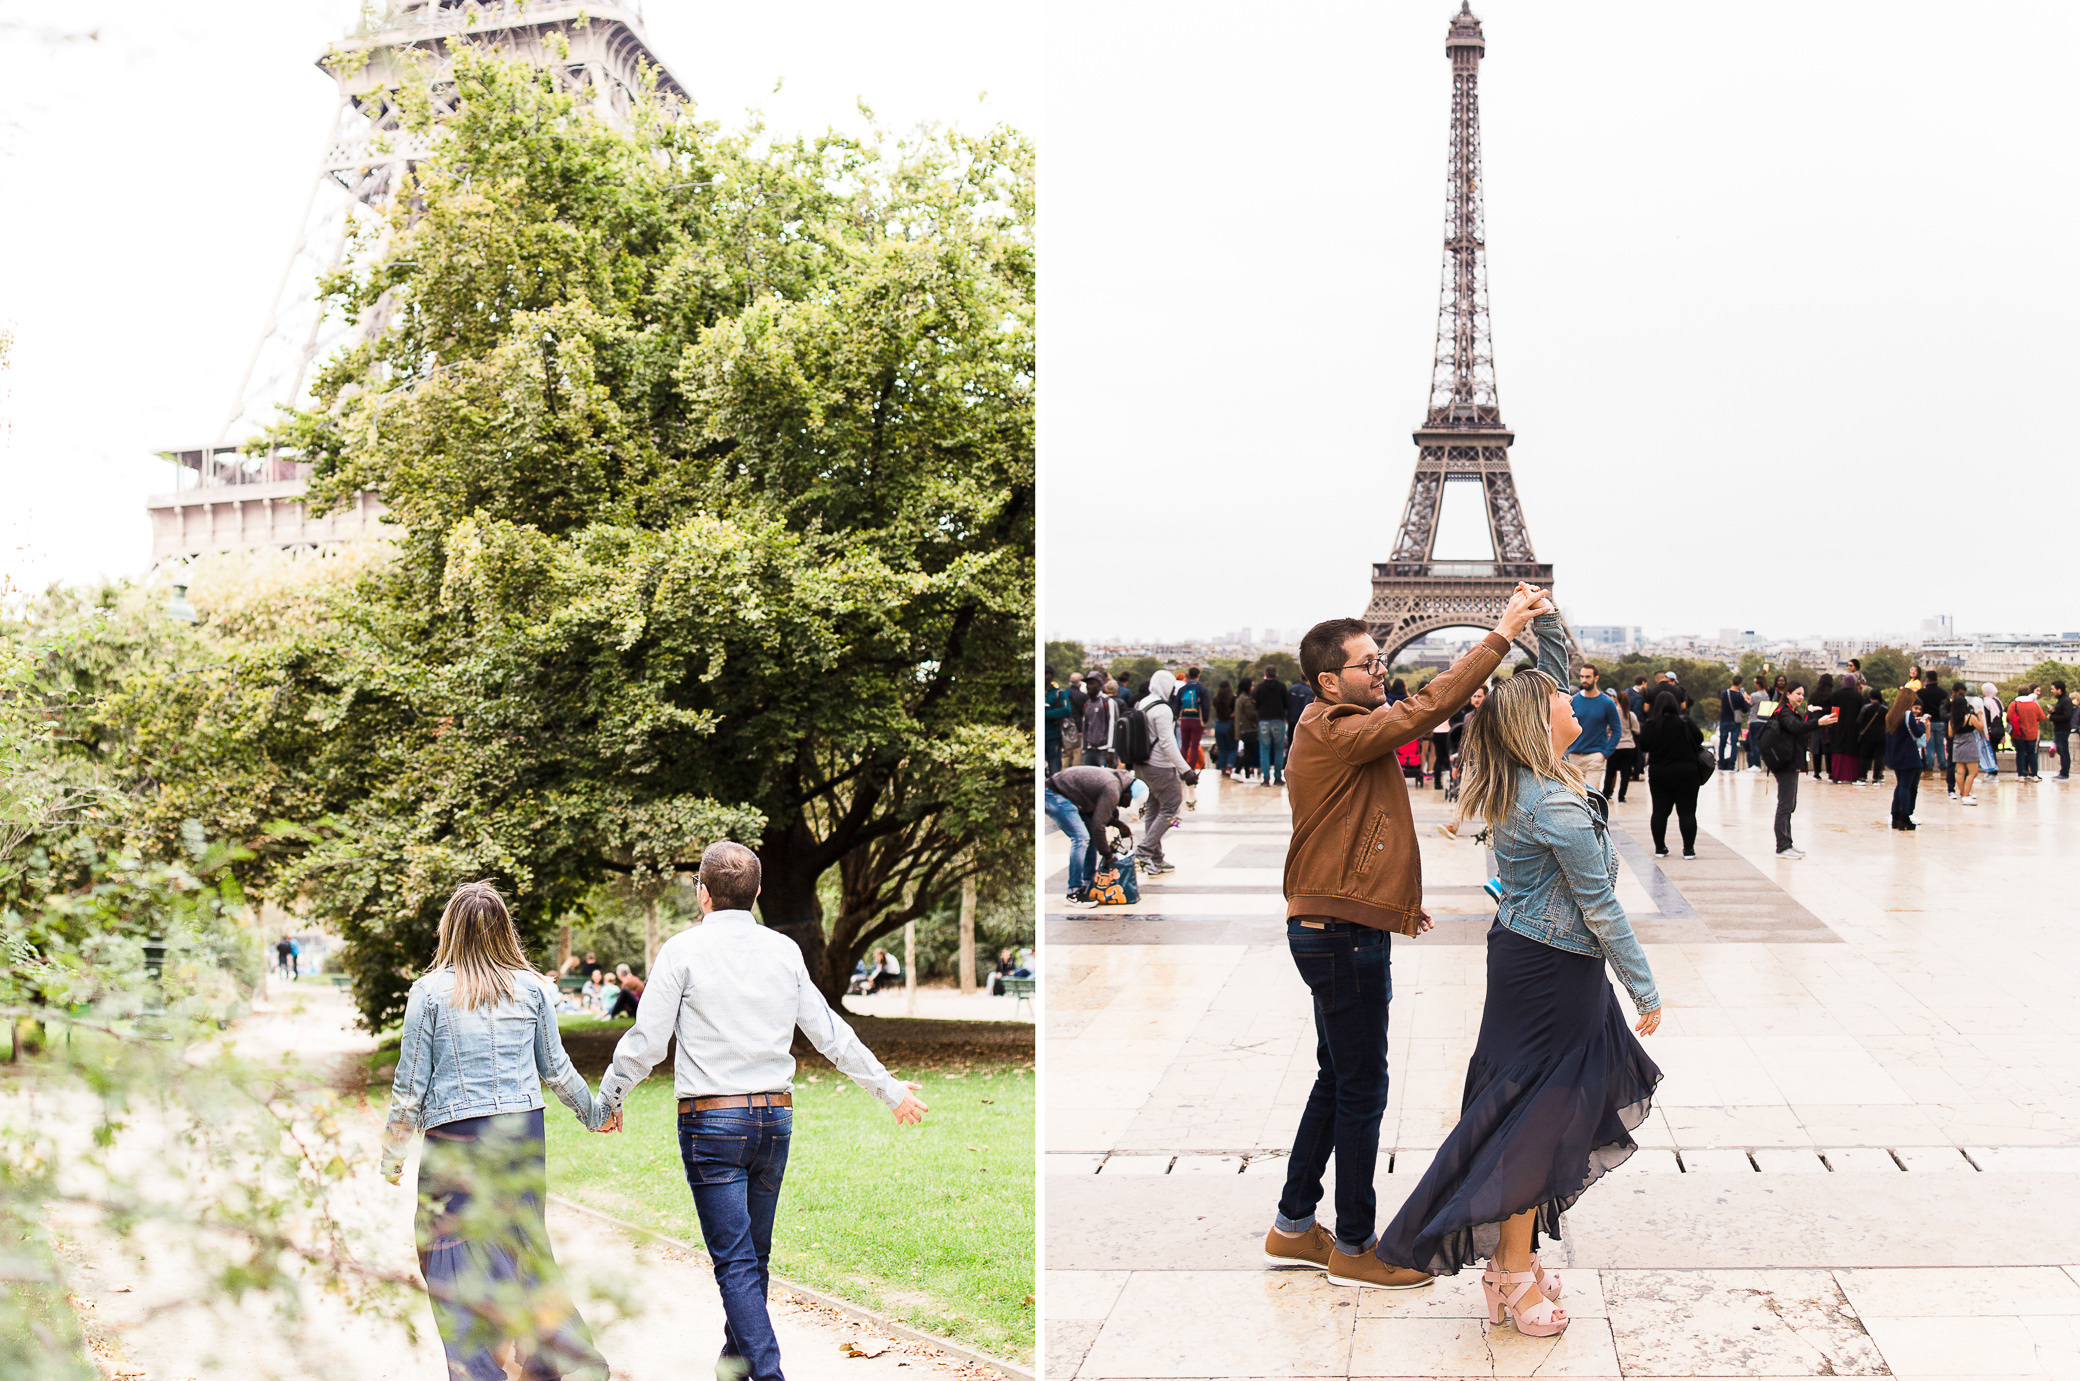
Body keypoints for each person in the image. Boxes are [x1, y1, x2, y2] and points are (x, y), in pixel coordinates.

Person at [1374, 628, 1660, 1339]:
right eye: (1562, 698)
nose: (1573, 701)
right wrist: (1645, 987)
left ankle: (1516, 1260)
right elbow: (1599, 906)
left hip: (1530, 956)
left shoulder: (1528, 778)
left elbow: (1544, 680)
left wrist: (1544, 618)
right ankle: (1507, 1267)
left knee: (1532, 1109)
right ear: (1542, 722)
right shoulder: (1556, 805)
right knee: (1542, 1115)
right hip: (1555, 970)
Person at [1261, 583, 1548, 1292]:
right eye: (1366, 664)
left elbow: (1356, 829)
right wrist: (1500, 634)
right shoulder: (1335, 726)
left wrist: (1393, 903)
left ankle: (1294, 1224)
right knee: (1363, 1086)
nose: (1379, 670)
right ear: (1329, 679)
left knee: (1338, 1077)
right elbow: (1427, 709)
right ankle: (1356, 1246)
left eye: (1378, 658)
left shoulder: (1331, 728)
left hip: (1337, 922)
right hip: (1340, 934)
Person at [602, 843, 926, 1381]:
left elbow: (646, 1041)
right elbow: (830, 1033)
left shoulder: (682, 950)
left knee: (736, 1263)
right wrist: (887, 1088)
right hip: (774, 1122)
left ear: (702, 893)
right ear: (757, 894)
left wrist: (610, 1097)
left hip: (712, 1124)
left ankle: (768, 1374)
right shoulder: (783, 950)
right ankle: (732, 1369)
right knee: (752, 1259)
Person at [381, 881, 613, 1381]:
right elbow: (556, 1069)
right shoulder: (532, 988)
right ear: (505, 930)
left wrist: (393, 1152)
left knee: (448, 1254)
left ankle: (480, 1370)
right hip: (520, 1135)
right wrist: (594, 1113)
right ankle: (556, 1355)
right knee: (520, 1244)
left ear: (450, 931)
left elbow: (410, 1083)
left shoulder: (429, 992)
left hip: (455, 1140)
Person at [1759, 685, 1838, 858]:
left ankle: (1787, 843)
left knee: (1789, 804)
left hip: (1789, 762)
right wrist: (1819, 722)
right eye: (1798, 694)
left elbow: (1798, 727)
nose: (1801, 697)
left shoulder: (1789, 711)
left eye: (1803, 694)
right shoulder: (1785, 712)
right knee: (1785, 805)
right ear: (1788, 694)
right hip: (1785, 763)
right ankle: (1782, 846)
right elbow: (1796, 727)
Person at [1049, 764, 1141, 907]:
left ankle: (1087, 882)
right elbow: (1098, 826)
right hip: (1054, 793)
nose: (1124, 806)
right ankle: (1074, 891)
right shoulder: (1113, 788)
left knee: (1089, 835)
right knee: (1081, 838)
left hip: (1070, 795)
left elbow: (1099, 815)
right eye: (1127, 803)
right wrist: (1108, 855)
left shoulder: (1119, 781)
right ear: (1128, 794)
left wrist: (1117, 824)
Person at [1134, 669, 1198, 875]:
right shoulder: (1163, 709)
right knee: (1171, 809)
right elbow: (1168, 743)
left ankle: (1156, 857)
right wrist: (1185, 769)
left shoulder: (1142, 703)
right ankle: (1144, 852)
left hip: (1142, 764)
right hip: (1160, 766)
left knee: (1153, 809)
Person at [1638, 691, 1704, 859]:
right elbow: (1699, 739)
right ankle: (1688, 849)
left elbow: (1644, 746)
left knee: (1659, 812)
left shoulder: (1651, 725)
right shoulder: (1685, 722)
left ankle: (1660, 848)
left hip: (1660, 773)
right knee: (1687, 812)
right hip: (1687, 773)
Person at [1566, 664, 1621, 785]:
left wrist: (1604, 754)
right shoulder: (1573, 701)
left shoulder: (1607, 703)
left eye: (1587, 677)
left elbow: (1617, 730)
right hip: (1574, 756)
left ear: (1596, 678)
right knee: (1577, 799)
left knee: (1590, 798)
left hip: (1595, 757)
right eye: (1582, 676)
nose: (1584, 680)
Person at [1884, 686, 1926, 830]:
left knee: (1901, 785)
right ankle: (1905, 816)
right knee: (1908, 786)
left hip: (1896, 754)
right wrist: (1922, 724)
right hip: (1909, 755)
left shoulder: (1891, 714)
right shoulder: (1908, 715)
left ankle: (1896, 815)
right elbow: (1917, 732)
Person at [1176, 667, 1211, 802]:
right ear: (1198, 675)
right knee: (1194, 746)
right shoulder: (1202, 689)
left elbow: (1177, 704)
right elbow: (1206, 706)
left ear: (1187, 675)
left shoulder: (1182, 689)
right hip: (1197, 719)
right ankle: (1191, 770)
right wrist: (1205, 720)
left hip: (1184, 719)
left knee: (1184, 745)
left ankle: (1182, 769)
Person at [1254, 668, 1290, 787]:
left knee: (1264, 750)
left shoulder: (1259, 687)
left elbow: (1255, 703)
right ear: (1276, 674)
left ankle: (1266, 778)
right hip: (1278, 720)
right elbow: (1286, 704)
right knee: (1279, 750)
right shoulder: (1282, 687)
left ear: (1265, 675)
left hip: (1264, 720)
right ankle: (1278, 777)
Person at [1602, 687, 1640, 802]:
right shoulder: (1630, 715)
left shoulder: (1613, 714)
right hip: (1628, 746)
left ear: (1616, 700)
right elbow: (1637, 730)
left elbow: (1607, 728)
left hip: (1615, 746)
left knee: (1610, 772)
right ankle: (1621, 796)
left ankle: (1606, 793)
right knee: (1625, 774)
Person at [1950, 686, 1985, 805]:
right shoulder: (1970, 717)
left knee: (1960, 772)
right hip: (1969, 745)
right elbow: (1980, 728)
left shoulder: (1953, 719)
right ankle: (1966, 794)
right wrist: (1980, 716)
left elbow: (1950, 733)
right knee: (1973, 772)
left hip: (1957, 745)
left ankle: (1962, 793)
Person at [1826, 672, 1864, 783]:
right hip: (1854, 728)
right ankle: (1852, 776)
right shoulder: (1858, 696)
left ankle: (1837, 775)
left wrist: (1833, 723)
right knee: (1852, 751)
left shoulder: (1836, 695)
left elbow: (1834, 712)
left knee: (1838, 750)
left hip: (1838, 727)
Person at [2008, 684, 2045, 782]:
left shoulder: (2014, 704)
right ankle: (2034, 774)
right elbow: (2042, 717)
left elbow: (2009, 717)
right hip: (2032, 733)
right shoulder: (2034, 704)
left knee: (2020, 753)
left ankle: (2021, 774)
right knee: (2032, 753)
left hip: (2018, 733)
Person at [1081, 679, 1120, 768]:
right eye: (1087, 684)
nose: (1089, 687)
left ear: (1099, 685)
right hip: (1090, 749)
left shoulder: (1107, 702)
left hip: (1104, 750)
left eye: (1092, 683)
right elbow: (1085, 725)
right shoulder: (1088, 703)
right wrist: (1084, 747)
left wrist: (1111, 749)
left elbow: (1112, 726)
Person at [1856, 685, 1889, 785]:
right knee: (1879, 757)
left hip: (1867, 736)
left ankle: (1862, 777)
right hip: (1881, 736)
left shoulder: (1866, 708)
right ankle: (1875, 778)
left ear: (1870, 697)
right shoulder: (1885, 709)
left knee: (1865, 757)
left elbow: (1859, 721)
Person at [1043, 667, 1072, 775]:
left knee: (1054, 769)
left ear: (1052, 677)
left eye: (1047, 674)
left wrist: (1045, 715)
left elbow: (1066, 710)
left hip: (1053, 736)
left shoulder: (1058, 693)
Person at [1717, 679, 1749, 771]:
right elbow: (1745, 709)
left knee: (1722, 743)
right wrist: (1744, 698)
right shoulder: (1739, 696)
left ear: (1731, 682)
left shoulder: (1724, 693)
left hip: (1724, 720)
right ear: (1740, 684)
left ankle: (1721, 765)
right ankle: (1731, 765)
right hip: (1735, 721)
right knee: (1734, 743)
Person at [1742, 677, 1773, 772]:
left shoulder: (1755, 695)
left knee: (1754, 743)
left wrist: (1745, 697)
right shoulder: (1768, 695)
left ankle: (1756, 764)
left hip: (1755, 720)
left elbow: (1750, 704)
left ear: (1758, 684)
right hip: (1765, 721)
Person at [1809, 674, 1836, 782]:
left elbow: (1809, 710)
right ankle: (1830, 772)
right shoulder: (1832, 696)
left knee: (1816, 750)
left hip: (1816, 724)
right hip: (1828, 725)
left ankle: (1816, 773)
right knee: (1828, 750)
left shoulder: (1813, 696)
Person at [1234, 676, 1261, 782]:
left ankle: (1244, 772)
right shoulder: (1246, 699)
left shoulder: (1239, 698)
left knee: (1247, 750)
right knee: (1249, 751)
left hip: (1242, 729)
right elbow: (1251, 714)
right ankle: (1241, 771)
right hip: (1249, 728)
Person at [1213, 679, 1238, 777]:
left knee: (1221, 748)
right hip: (1229, 724)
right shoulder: (1233, 698)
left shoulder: (1216, 699)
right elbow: (1235, 712)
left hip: (1218, 724)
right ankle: (1229, 766)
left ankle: (1222, 768)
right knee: (1232, 748)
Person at [2051, 681, 2073, 780]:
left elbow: (2067, 716)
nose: (2052, 691)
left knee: (2064, 750)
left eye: (2053, 689)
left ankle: (2064, 772)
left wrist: (2053, 717)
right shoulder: (2061, 700)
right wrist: (2053, 712)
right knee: (2060, 750)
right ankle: (2062, 771)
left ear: (2059, 690)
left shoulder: (2066, 701)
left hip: (2063, 730)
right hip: (2059, 729)